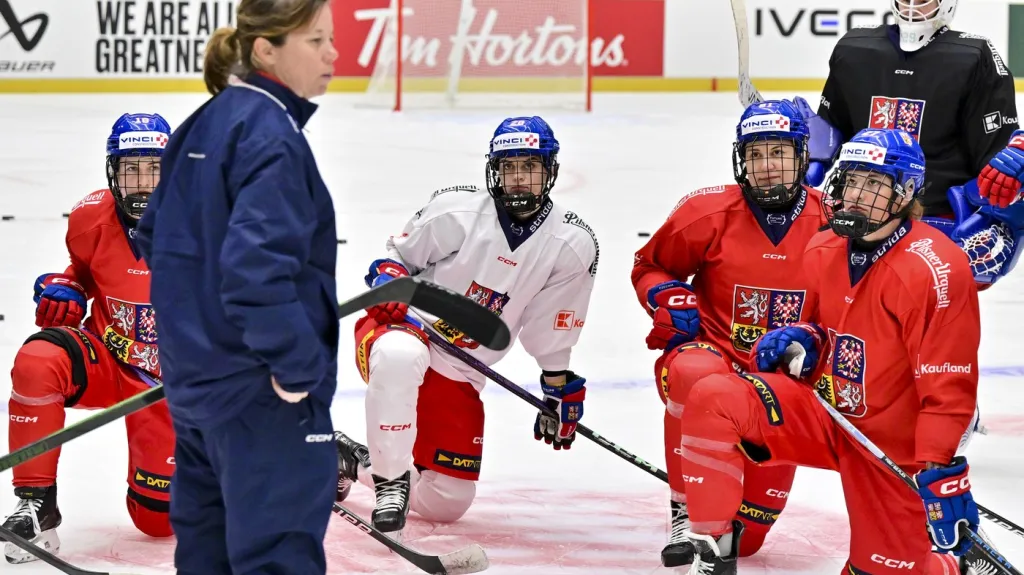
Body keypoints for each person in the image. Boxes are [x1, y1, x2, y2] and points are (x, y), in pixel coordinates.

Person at [673, 128, 984, 575]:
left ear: (907, 193)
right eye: (851, 180)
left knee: (880, 569)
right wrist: (806, 337)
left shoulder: (934, 269)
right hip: (825, 412)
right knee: (715, 396)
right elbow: (827, 327)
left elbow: (948, 385)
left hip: (890, 446)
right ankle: (712, 548)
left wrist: (939, 465)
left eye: (875, 185)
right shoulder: (825, 246)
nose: (857, 194)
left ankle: (946, 568)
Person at [134, 1, 340, 573]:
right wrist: (298, 369)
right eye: (316, 40)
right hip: (263, 401)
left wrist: (197, 339)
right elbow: (255, 271)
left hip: (196, 391)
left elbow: (155, 237)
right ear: (265, 50)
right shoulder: (271, 137)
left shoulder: (207, 119)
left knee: (208, 557)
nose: (333, 54)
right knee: (277, 558)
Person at [333, 116, 598, 538]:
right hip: (404, 329)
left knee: (446, 503)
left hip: (460, 369)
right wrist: (388, 279)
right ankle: (390, 481)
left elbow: (551, 321)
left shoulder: (570, 242)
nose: (518, 179)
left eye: (529, 168)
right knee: (400, 357)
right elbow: (396, 259)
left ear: (550, 172)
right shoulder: (457, 210)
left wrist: (557, 381)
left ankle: (348, 460)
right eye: (509, 168)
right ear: (494, 170)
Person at [631, 100, 826, 567]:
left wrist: (818, 339)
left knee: (749, 540)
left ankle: (725, 490)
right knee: (694, 373)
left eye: (778, 153)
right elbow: (651, 267)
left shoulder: (834, 223)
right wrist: (666, 298)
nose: (766, 166)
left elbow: (853, 306)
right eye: (755, 154)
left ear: (802, 156)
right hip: (712, 351)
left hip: (783, 379)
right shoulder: (707, 211)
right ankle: (685, 503)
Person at [1, 113, 175, 563]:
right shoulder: (87, 218)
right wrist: (65, 289)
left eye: (154, 168)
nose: (142, 182)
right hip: (111, 360)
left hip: (180, 381)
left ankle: (315, 450)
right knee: (38, 360)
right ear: (112, 171)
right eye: (130, 169)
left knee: (157, 521)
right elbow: (82, 274)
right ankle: (37, 505)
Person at [794, 0, 1024, 286]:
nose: (913, 6)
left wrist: (1000, 215)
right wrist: (812, 154)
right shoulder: (854, 49)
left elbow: (998, 161)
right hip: (861, 211)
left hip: (937, 220)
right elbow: (833, 127)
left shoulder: (973, 55)